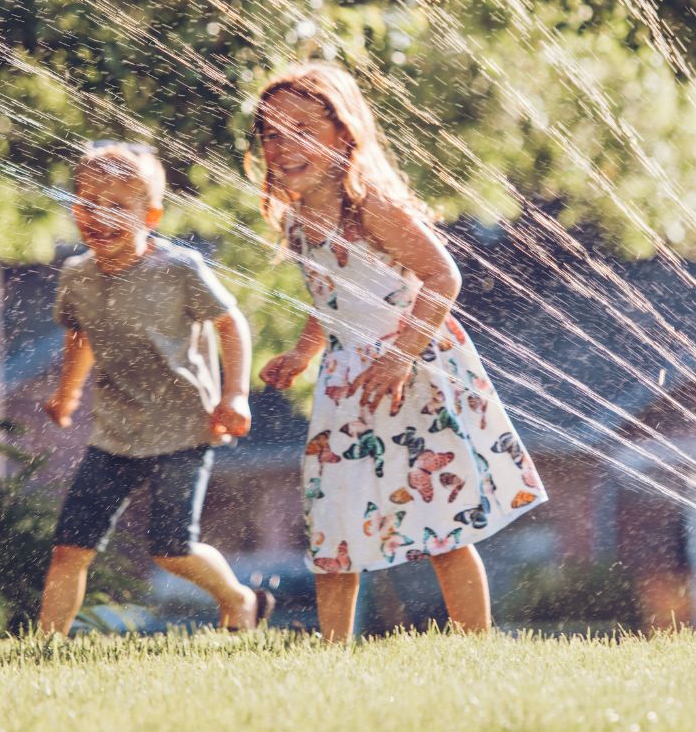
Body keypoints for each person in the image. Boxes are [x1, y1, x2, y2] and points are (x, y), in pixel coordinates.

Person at [249, 62, 547, 640]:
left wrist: (403, 354)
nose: (284, 145)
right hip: (348, 382)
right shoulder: (299, 220)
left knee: (443, 523)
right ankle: (334, 653)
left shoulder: (370, 206)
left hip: (412, 374)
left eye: (303, 129)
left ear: (343, 133)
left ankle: (475, 648)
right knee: (333, 516)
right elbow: (330, 299)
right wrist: (305, 352)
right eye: (272, 133)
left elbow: (443, 277)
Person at [38, 141, 272, 635]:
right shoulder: (77, 275)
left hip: (184, 429)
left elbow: (231, 325)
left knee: (171, 549)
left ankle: (239, 598)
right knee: (70, 547)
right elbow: (79, 335)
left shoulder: (179, 268)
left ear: (152, 214)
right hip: (115, 433)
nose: (97, 214)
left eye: (116, 205)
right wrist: (68, 394)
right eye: (86, 200)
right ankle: (46, 646)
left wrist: (235, 394)